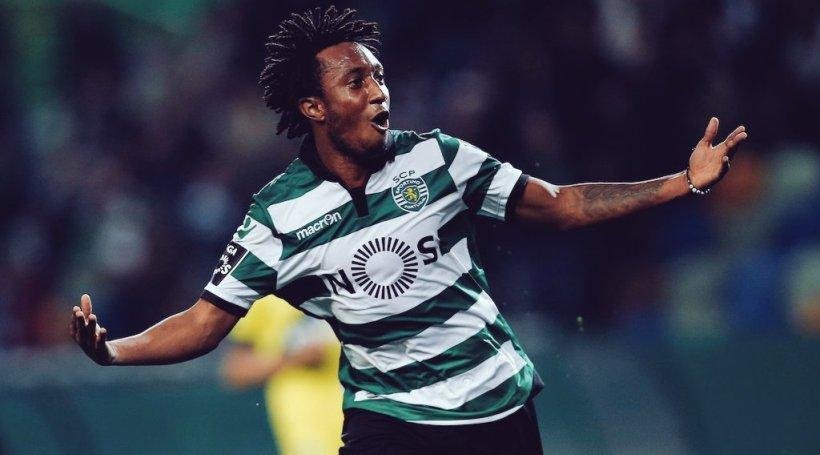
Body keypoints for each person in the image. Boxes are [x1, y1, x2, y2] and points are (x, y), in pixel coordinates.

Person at [70, 6, 747, 454]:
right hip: (391, 419)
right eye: (356, 81)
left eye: (380, 77)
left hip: (495, 404)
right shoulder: (278, 217)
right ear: (314, 107)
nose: (378, 92)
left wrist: (681, 182)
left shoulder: (440, 159)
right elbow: (204, 322)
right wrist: (114, 352)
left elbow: (561, 205)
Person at [220, 295, 343, 455]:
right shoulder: (265, 294)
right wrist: (295, 359)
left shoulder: (364, 288)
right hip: (308, 418)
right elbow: (236, 370)